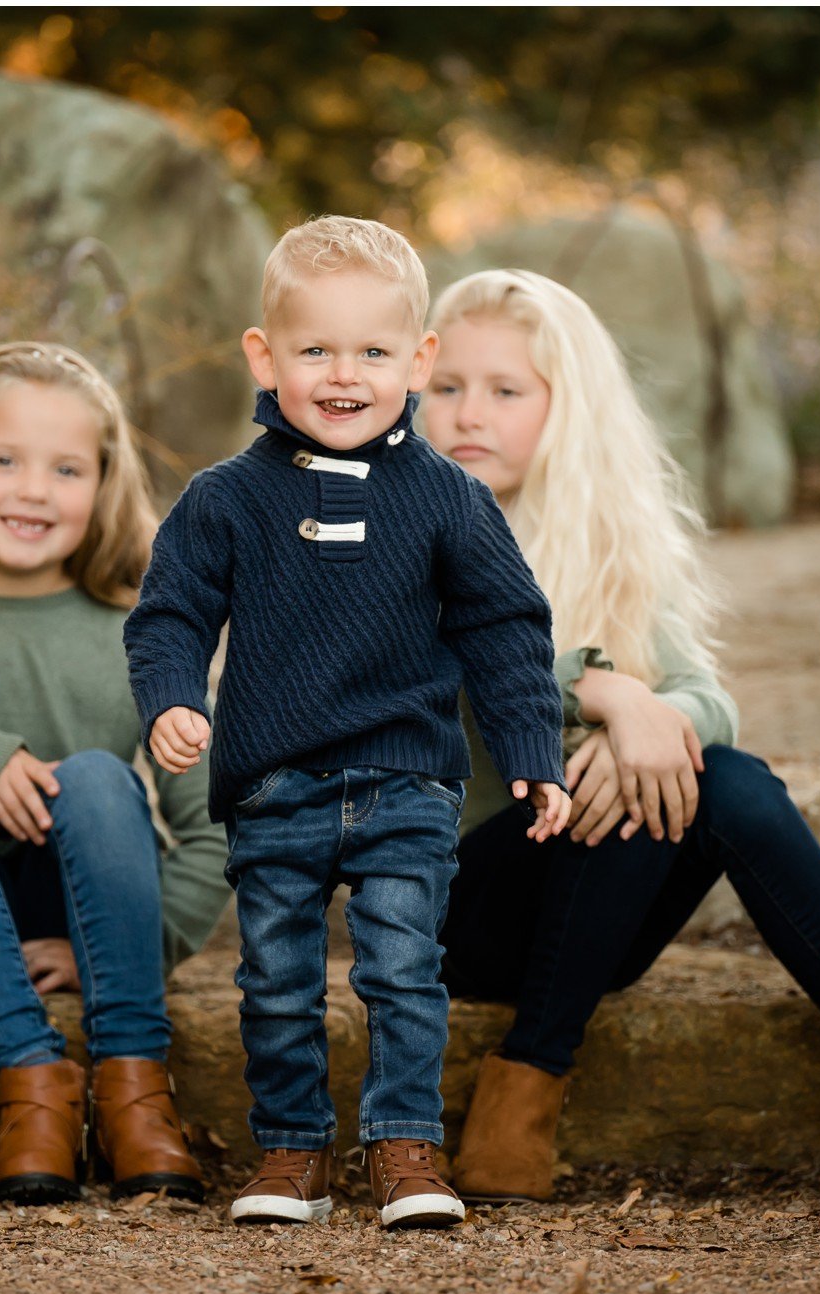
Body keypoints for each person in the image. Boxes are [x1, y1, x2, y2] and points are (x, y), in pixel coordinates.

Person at [419, 268, 820, 1201]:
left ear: (568, 407)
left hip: (590, 899)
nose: (469, 413)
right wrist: (610, 691)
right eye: (447, 387)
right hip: (452, 901)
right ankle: (528, 1083)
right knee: (653, 759)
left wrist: (655, 714)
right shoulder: (403, 522)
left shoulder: (604, 541)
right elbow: (458, 664)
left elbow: (707, 697)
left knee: (720, 775)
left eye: (506, 390)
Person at [124, 218, 572, 1231]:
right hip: (272, 786)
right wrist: (173, 700)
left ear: (417, 361)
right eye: (313, 350)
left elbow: (507, 631)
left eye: (372, 352)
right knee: (277, 979)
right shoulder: (225, 499)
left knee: (403, 972)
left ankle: (404, 1147)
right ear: (263, 356)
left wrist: (531, 754)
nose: (342, 375)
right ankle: (290, 1152)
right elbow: (171, 613)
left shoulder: (450, 502)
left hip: (406, 784)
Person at [0, 343, 225, 1205]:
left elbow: (216, 823)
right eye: (3, 460)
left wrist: (123, 948)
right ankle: (29, 1082)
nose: (33, 490)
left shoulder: (138, 630)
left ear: (104, 483)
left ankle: (134, 1085)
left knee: (105, 779)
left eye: (67, 468)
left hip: (88, 910)